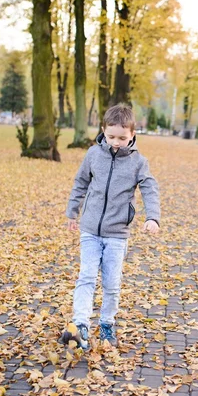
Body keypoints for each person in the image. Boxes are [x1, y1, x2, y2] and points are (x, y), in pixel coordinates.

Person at [59, 103, 161, 350]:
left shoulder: (139, 162)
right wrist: (72, 212)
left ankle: (106, 324)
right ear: (103, 130)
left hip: (117, 234)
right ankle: (80, 325)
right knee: (86, 276)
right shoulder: (93, 154)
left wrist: (152, 217)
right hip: (90, 230)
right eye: (111, 136)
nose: (116, 142)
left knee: (111, 284)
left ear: (132, 135)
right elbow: (80, 182)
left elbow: (149, 188)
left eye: (122, 138)